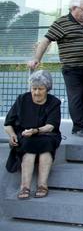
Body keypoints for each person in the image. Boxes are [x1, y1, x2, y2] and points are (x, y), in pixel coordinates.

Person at [27, 0, 83, 138]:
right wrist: (37, 58)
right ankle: (78, 127)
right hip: (72, 68)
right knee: (76, 97)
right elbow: (45, 41)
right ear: (74, 8)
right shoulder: (61, 23)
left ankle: (82, 125)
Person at [4, 70, 61, 200]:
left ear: (47, 89)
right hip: (24, 135)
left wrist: (35, 130)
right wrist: (12, 135)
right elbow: (8, 123)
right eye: (34, 88)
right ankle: (25, 186)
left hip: (47, 134)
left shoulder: (54, 102)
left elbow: (51, 126)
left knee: (46, 147)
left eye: (40, 89)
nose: (36, 92)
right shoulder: (22, 99)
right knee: (28, 146)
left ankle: (42, 185)